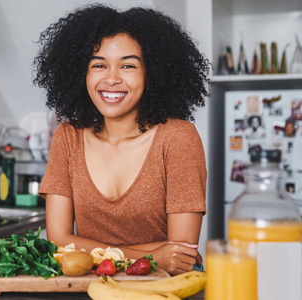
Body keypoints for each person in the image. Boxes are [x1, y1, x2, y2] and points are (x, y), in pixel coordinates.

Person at [33, 4, 209, 275]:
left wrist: (90, 249)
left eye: (127, 65)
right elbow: (58, 241)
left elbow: (180, 254)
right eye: (99, 65)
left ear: (150, 74)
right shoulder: (68, 138)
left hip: (164, 289)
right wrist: (153, 255)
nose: (111, 78)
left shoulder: (177, 138)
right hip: (93, 289)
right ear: (83, 75)